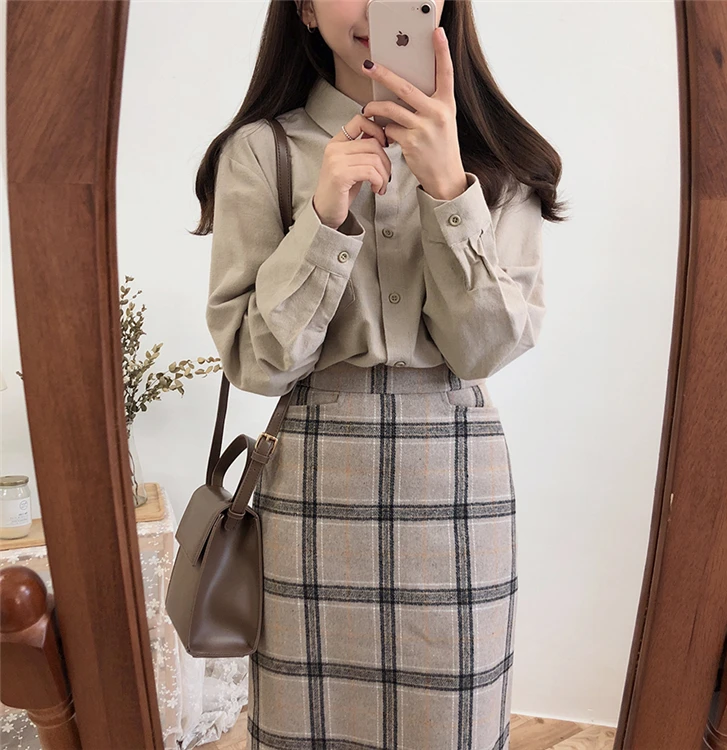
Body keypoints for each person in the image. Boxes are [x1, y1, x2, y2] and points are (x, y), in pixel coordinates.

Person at [192, 2, 566, 748]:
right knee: (306, 725)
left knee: (452, 724)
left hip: (455, 484)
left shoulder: (500, 159)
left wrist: (449, 190)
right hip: (313, 480)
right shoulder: (260, 151)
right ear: (303, 7)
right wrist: (323, 215)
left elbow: (486, 351)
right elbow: (257, 362)